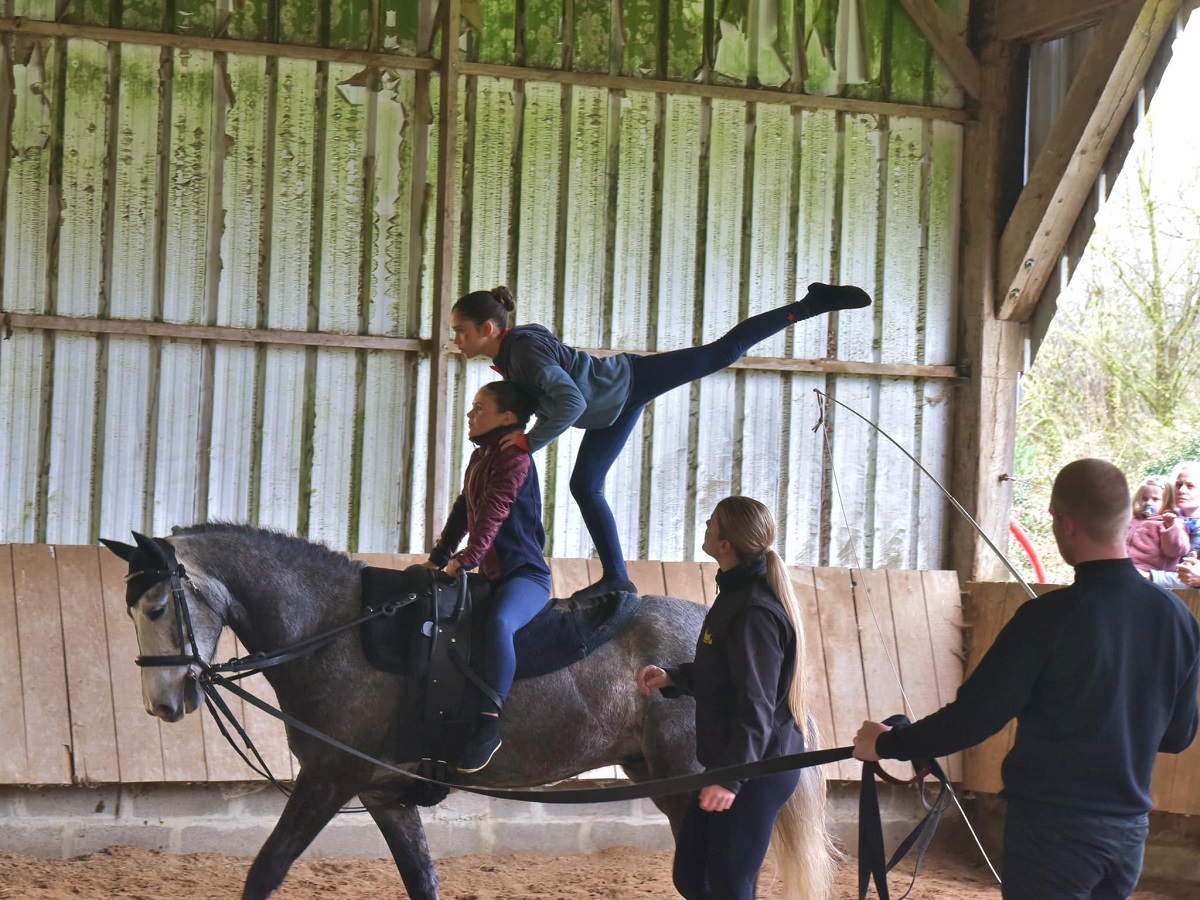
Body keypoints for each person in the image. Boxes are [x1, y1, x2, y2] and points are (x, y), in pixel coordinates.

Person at [853, 458, 1200, 900]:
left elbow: (975, 718)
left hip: (1053, 834)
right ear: (1124, 521)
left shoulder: (1046, 618)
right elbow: (1177, 736)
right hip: (1128, 836)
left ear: (1065, 522)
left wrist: (887, 745)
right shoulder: (1177, 618)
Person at [450, 283, 871, 600]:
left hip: (629, 382)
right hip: (610, 408)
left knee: (721, 353)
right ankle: (617, 578)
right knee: (585, 486)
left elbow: (571, 401)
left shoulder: (522, 351)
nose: (456, 341)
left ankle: (810, 304)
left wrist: (530, 442)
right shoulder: (514, 352)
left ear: (487, 328)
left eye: (461, 332)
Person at [637, 496, 830, 900]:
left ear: (725, 544)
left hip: (758, 768)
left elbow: (756, 705)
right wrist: (674, 678)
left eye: (712, 523)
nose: (706, 525)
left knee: (728, 884)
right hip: (735, 762)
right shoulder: (734, 596)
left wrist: (731, 779)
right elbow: (725, 674)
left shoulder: (754, 611)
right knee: (692, 877)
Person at [427, 381, 552, 774]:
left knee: (499, 623)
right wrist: (438, 556)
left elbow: (495, 511)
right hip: (491, 574)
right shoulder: (481, 455)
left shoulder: (515, 458)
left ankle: (488, 723)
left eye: (479, 408)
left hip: (525, 575)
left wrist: (466, 560)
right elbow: (464, 509)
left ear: (507, 418)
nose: (470, 415)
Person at [1147, 462, 1200, 587]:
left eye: (1190, 486)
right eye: (1178, 485)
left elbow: (1191, 578)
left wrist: (1149, 576)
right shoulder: (1162, 519)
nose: (1181, 490)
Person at [1125, 475, 1189, 574]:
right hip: (1124, 567)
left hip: (1148, 572)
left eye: (1155, 499)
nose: (1149, 503)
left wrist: (1171, 527)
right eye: (1144, 498)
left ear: (1167, 502)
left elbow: (1176, 550)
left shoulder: (1171, 522)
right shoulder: (1134, 519)